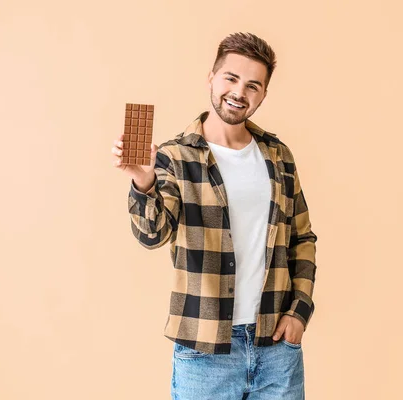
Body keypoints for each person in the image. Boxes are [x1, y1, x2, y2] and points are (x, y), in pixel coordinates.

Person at [111, 32, 317, 399]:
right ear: (212, 77)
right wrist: (144, 183)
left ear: (263, 94)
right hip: (204, 351)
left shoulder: (278, 156)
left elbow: (303, 239)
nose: (240, 92)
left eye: (253, 85)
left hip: (275, 347)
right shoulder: (175, 156)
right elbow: (152, 235)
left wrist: (299, 312)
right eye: (231, 78)